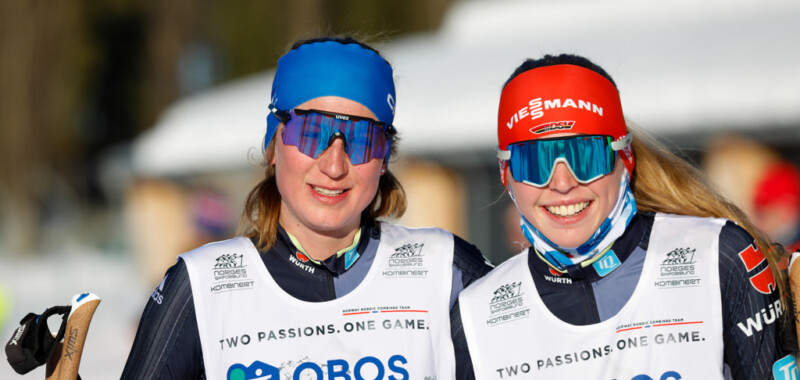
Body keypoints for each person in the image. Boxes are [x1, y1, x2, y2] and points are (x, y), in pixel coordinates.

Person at [121, 36, 492, 379]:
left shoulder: (444, 270)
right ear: (274, 143)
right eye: (311, 132)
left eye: (361, 138)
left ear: (383, 159)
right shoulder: (203, 285)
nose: (334, 165)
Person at [455, 54, 795, 379]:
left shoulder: (717, 256)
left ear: (625, 157)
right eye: (535, 163)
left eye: (586, 155)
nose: (562, 183)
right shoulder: (475, 314)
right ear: (506, 173)